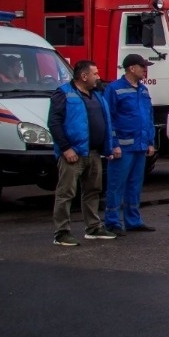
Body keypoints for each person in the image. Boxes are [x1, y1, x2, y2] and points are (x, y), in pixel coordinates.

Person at [49, 60, 117, 246]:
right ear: (84, 76)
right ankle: (61, 232)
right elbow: (54, 123)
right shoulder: (63, 94)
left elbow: (105, 121)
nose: (98, 77)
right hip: (73, 153)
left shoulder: (96, 94)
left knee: (93, 191)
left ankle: (93, 227)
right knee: (66, 193)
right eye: (95, 73)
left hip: (93, 152)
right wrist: (65, 148)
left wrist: (108, 147)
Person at [103, 54, 157, 235]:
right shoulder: (114, 89)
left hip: (140, 146)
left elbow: (148, 118)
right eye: (142, 66)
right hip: (123, 147)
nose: (145, 69)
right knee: (116, 185)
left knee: (135, 185)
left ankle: (133, 221)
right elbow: (108, 119)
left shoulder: (143, 90)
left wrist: (150, 142)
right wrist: (113, 144)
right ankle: (112, 222)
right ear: (131, 68)